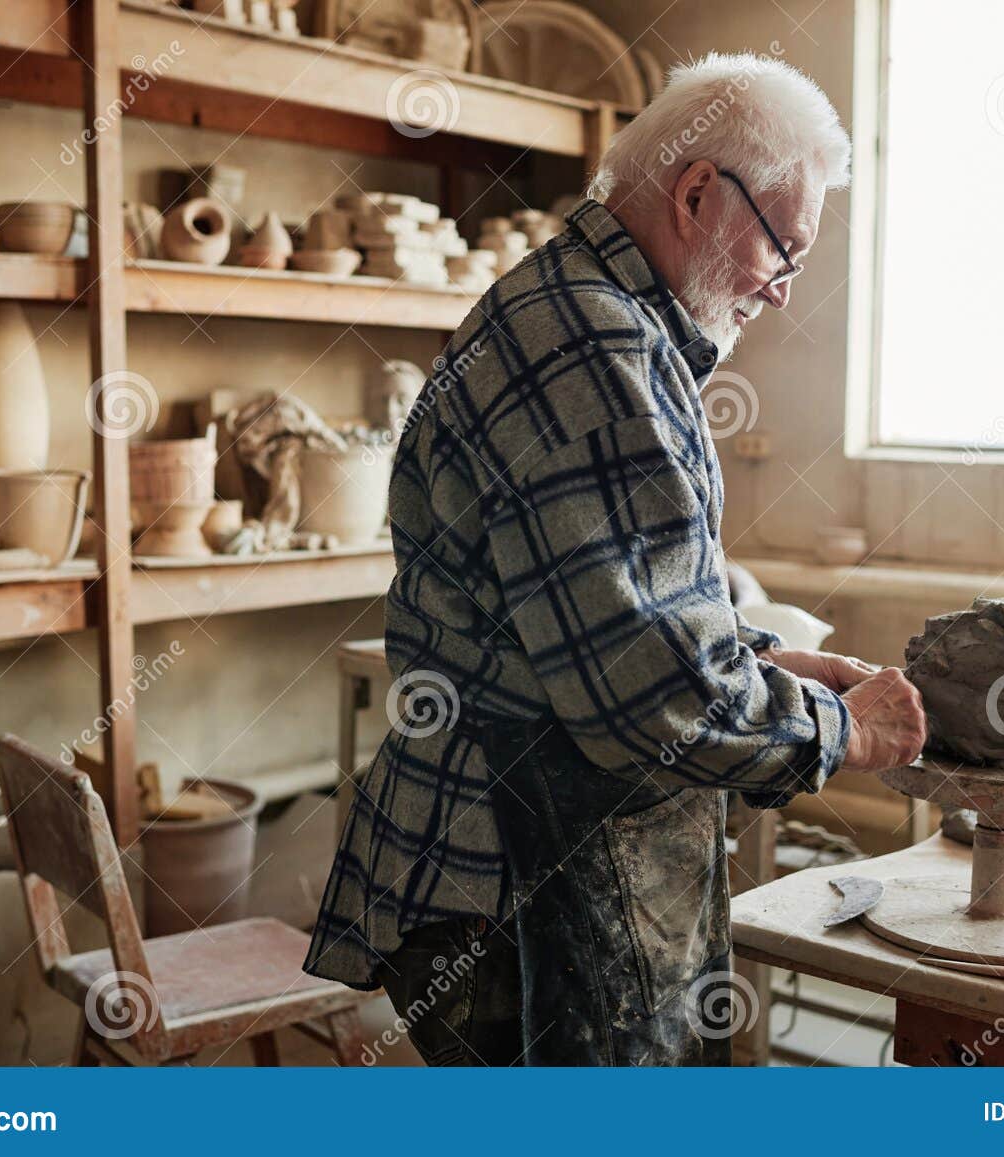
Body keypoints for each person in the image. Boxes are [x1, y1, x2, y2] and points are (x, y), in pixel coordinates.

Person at [304, 51, 927, 1065]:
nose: (780, 292)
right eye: (784, 249)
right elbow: (647, 695)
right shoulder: (592, 350)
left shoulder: (576, 308)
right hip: (510, 888)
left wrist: (765, 662)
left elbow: (610, 613)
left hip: (516, 861)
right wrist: (841, 728)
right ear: (697, 193)